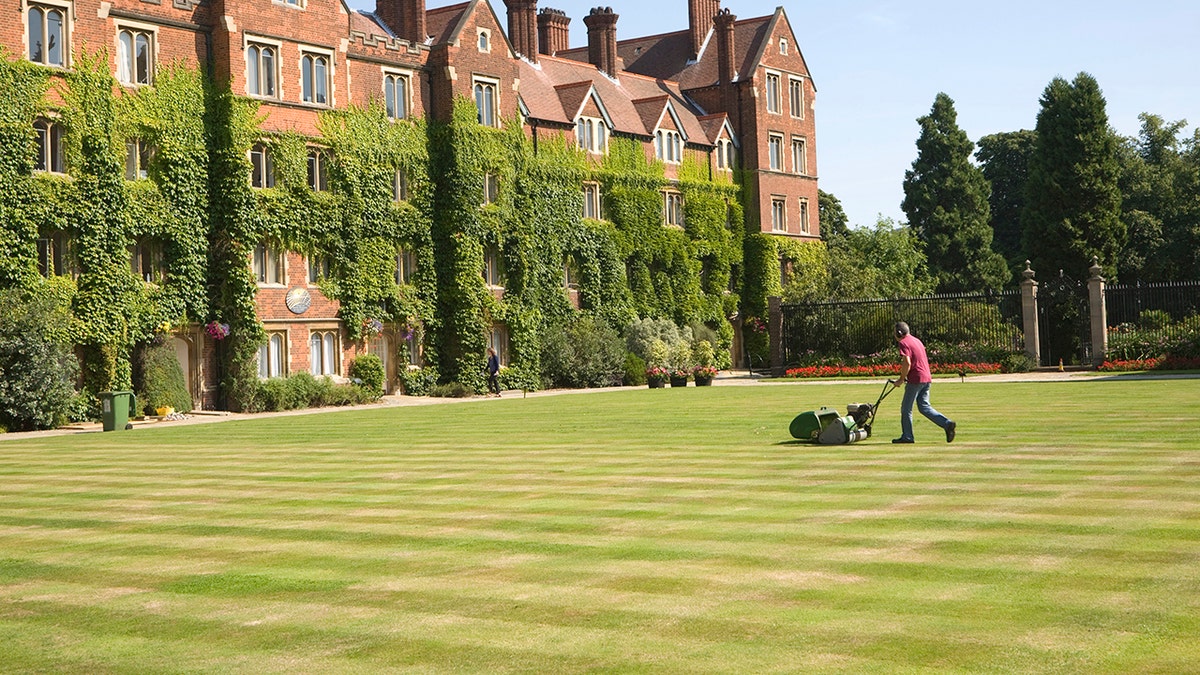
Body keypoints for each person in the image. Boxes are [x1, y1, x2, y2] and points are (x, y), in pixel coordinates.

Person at [890, 322, 956, 444]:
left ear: (899, 333)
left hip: (915, 379)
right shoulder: (917, 341)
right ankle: (947, 424)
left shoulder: (904, 342)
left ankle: (907, 436)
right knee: (924, 407)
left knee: (906, 409)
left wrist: (901, 379)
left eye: (894, 333)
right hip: (926, 378)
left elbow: (907, 362)